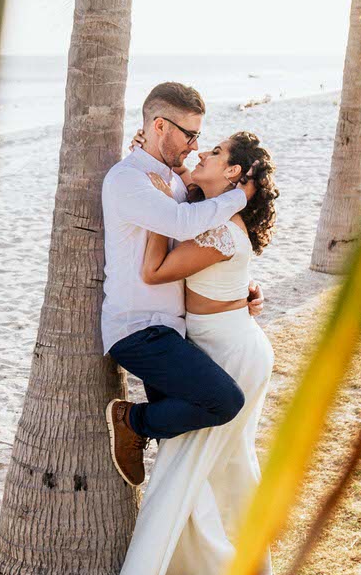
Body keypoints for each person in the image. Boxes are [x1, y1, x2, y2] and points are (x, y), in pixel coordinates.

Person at [110, 131, 279, 575]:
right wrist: (152, 150)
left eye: (217, 152)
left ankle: (223, 571)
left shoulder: (221, 226)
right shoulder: (211, 210)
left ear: (233, 174)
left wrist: (158, 216)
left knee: (198, 460)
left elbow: (155, 271)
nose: (204, 152)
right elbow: (185, 183)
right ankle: (239, 566)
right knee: (222, 463)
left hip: (230, 350)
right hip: (222, 342)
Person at [101, 81, 261, 492]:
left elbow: (199, 249)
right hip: (139, 329)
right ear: (159, 126)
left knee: (186, 440)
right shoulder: (129, 180)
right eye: (189, 135)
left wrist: (238, 291)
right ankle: (130, 420)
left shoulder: (171, 181)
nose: (194, 145)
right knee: (223, 401)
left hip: (171, 330)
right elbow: (181, 224)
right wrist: (239, 198)